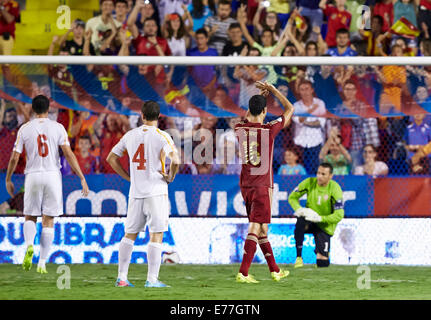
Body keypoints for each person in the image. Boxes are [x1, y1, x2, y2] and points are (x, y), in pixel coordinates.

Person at [5, 95, 89, 273]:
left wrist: (8, 178)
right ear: (49, 108)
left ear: (33, 109)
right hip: (52, 175)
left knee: (30, 216)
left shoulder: (25, 129)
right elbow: (68, 153)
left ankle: (29, 245)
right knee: (48, 219)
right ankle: (42, 262)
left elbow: (14, 157)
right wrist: (81, 176)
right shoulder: (58, 127)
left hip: (33, 175)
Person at [107, 100, 180, 288]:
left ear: (142, 115)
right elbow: (177, 161)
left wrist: (128, 177)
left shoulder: (130, 135)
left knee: (129, 234)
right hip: (156, 191)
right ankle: (151, 280)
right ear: (159, 117)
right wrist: (170, 177)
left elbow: (111, 158)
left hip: (136, 192)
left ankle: (122, 277)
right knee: (156, 234)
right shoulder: (162, 136)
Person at [234, 80, 294, 284]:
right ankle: (243, 272)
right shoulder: (270, 130)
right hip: (262, 186)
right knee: (256, 225)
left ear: (249, 110)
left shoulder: (239, 129)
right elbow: (290, 108)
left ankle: (275, 270)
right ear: (265, 111)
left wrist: (259, 101)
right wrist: (274, 90)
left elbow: (248, 115)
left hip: (246, 185)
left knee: (262, 229)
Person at [288, 162, 344, 268]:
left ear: (330, 176)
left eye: (323, 174)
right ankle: (299, 257)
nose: (319, 176)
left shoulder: (335, 188)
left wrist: (320, 218)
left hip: (324, 225)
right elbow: (292, 197)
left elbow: (339, 214)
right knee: (300, 220)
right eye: (318, 173)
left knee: (322, 263)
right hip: (310, 220)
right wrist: (299, 209)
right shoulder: (309, 182)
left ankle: (323, 253)